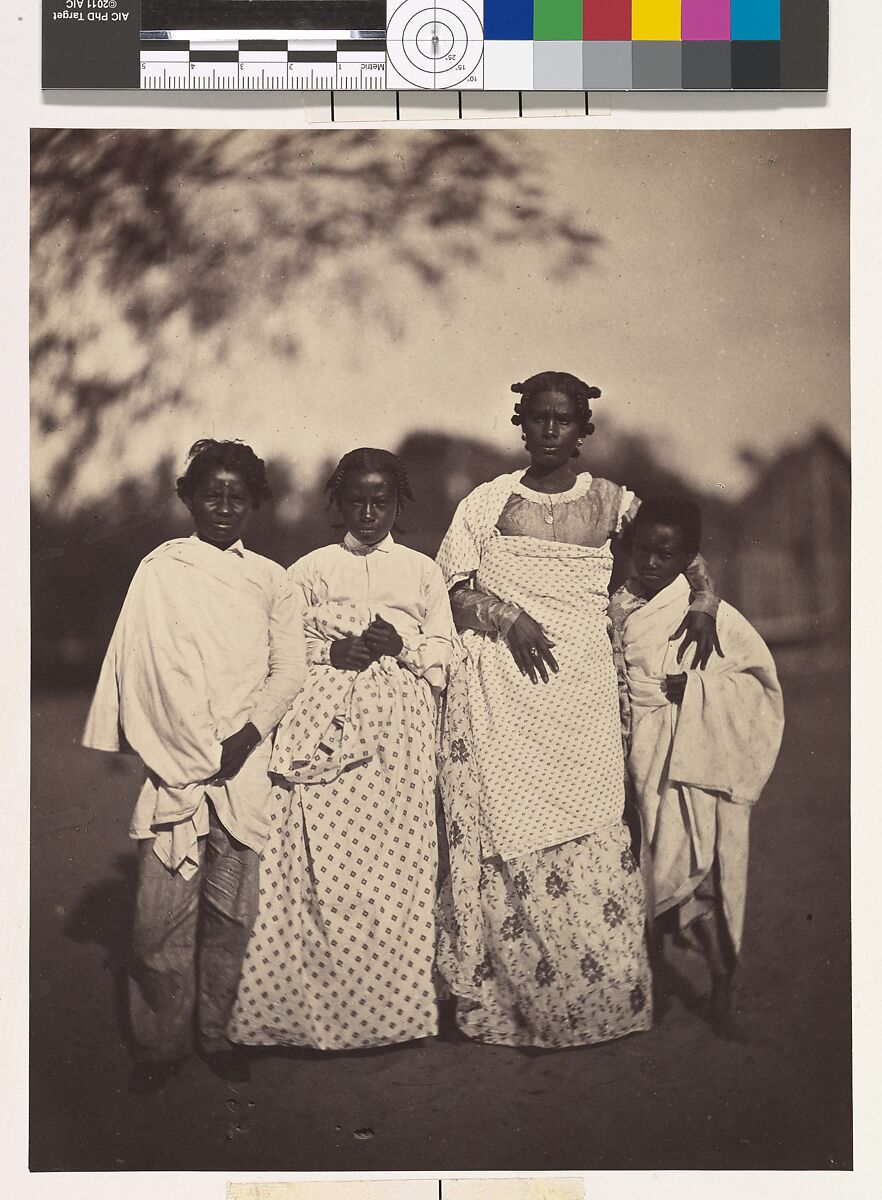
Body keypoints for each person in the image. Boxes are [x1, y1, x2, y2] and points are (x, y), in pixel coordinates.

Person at [434, 370, 722, 1049]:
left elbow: (683, 552)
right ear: (522, 423)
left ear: (583, 430)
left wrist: (704, 601)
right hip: (505, 696)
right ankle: (507, 1009)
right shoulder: (487, 502)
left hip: (583, 697)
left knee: (595, 829)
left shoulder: (617, 503)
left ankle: (605, 1006)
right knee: (508, 831)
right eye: (537, 418)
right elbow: (448, 586)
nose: (549, 430)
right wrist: (507, 616)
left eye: (563, 420)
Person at [83, 439, 307, 1092]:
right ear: (188, 497)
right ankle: (159, 1046)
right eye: (213, 492)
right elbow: (145, 670)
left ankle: (216, 1034)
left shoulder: (271, 579)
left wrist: (248, 732)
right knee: (159, 921)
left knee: (233, 918)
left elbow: (288, 668)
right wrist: (187, 748)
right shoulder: (162, 570)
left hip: (244, 769)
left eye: (239, 496)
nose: (225, 506)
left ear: (256, 505)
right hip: (176, 773)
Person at [228, 448, 454, 1051]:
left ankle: (395, 1018)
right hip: (320, 727)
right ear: (339, 503)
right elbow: (282, 646)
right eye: (357, 500)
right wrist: (332, 653)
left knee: (397, 868)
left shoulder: (421, 571)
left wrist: (400, 641)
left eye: (382, 501)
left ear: (399, 503)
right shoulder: (309, 570)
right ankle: (310, 1017)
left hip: (399, 737)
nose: (370, 512)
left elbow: (444, 650)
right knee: (317, 863)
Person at [609, 495, 784, 1040]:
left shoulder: (712, 615)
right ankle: (652, 986)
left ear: (688, 556)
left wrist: (700, 689)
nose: (653, 564)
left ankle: (722, 991)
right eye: (643, 552)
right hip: (633, 753)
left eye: (666, 554)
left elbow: (760, 686)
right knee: (641, 874)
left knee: (700, 878)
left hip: (690, 761)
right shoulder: (617, 607)